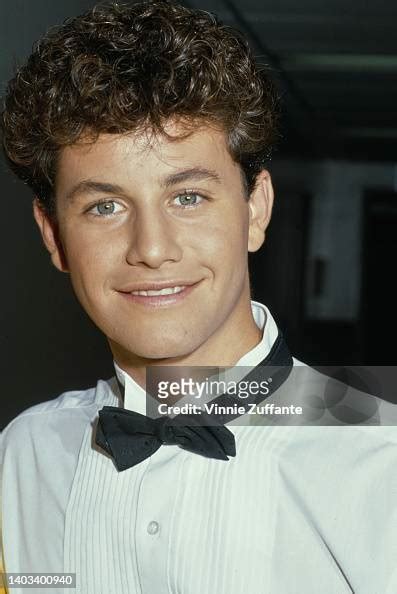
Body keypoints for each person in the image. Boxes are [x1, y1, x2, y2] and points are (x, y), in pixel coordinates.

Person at [1, 2, 396, 593]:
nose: (152, 249)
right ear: (54, 236)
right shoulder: (24, 457)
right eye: (104, 206)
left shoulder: (380, 457)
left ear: (255, 209)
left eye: (187, 197)